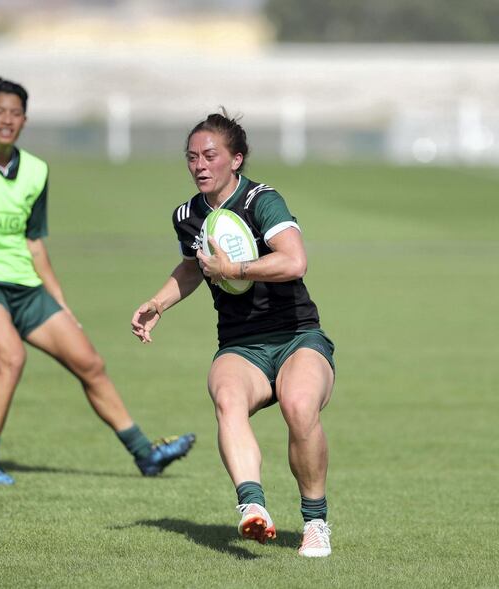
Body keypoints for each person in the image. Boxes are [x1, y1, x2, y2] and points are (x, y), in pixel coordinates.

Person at [0, 77, 195, 486]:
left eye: (15, 113)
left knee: (90, 362)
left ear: (25, 120)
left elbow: (35, 244)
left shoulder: (36, 171)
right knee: (11, 357)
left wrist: (60, 300)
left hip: (26, 288)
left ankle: (145, 454)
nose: (7, 120)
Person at [131, 112, 336, 558]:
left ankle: (316, 523)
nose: (200, 165)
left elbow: (294, 261)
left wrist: (234, 269)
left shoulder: (263, 200)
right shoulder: (187, 215)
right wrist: (157, 303)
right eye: (192, 157)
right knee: (227, 398)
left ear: (235, 160)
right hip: (241, 344)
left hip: (297, 335)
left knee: (300, 407)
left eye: (210, 156)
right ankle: (252, 508)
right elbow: (191, 265)